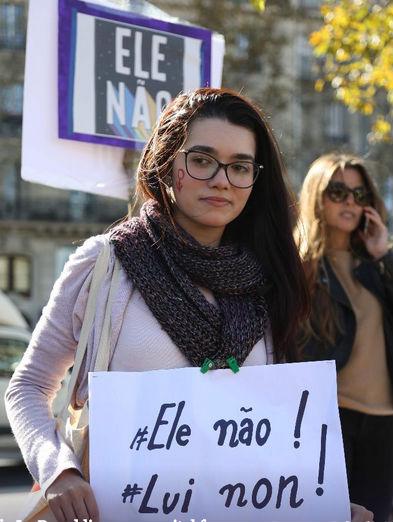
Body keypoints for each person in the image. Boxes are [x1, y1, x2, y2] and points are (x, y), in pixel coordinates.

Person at [6, 89, 372, 522]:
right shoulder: (104, 263)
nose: (221, 180)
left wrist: (319, 501)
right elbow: (27, 386)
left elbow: (267, 435)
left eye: (239, 167)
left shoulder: (266, 284)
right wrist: (59, 472)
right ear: (166, 165)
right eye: (201, 160)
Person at [296, 152, 393, 522]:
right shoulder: (298, 267)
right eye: (338, 191)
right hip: (332, 417)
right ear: (317, 196)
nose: (351, 201)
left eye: (360, 194)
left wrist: (383, 253)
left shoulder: (376, 265)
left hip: (384, 422)